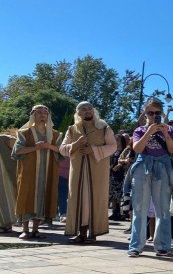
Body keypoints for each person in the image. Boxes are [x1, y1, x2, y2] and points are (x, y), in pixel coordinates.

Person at [59, 102, 117, 243]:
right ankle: (82, 232)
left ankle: (94, 232)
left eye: (89, 108)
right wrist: (77, 144)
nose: (87, 111)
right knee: (79, 200)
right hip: (78, 172)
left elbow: (113, 146)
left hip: (97, 172)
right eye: (83, 109)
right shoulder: (72, 129)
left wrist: (94, 150)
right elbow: (62, 149)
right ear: (79, 113)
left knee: (95, 199)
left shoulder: (104, 128)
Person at [128, 97, 173, 257]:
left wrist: (164, 132)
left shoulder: (169, 129)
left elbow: (172, 150)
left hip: (162, 168)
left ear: (161, 113)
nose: (153, 115)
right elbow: (137, 148)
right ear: (145, 113)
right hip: (143, 167)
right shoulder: (139, 130)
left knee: (162, 208)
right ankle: (136, 245)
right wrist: (149, 131)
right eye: (150, 113)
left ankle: (163, 244)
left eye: (157, 113)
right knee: (139, 208)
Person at [12, 105, 64, 239]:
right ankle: (25, 229)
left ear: (48, 116)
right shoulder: (25, 132)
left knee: (43, 197)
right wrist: (36, 147)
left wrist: (48, 146)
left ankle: (36, 229)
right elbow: (17, 151)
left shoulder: (56, 134)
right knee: (26, 195)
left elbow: (61, 151)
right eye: (39, 112)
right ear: (33, 115)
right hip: (28, 172)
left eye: (45, 112)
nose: (42, 114)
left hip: (47, 171)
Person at [109, 134, 130, 221]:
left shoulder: (124, 151)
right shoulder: (114, 151)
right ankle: (114, 212)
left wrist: (119, 165)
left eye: (117, 140)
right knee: (113, 195)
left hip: (121, 175)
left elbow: (124, 161)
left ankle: (121, 213)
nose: (116, 142)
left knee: (119, 196)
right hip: (113, 175)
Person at [0, 134, 17, 233]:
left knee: (6, 197)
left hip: (5, 176)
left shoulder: (3, 138)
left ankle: (7, 223)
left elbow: (18, 147)